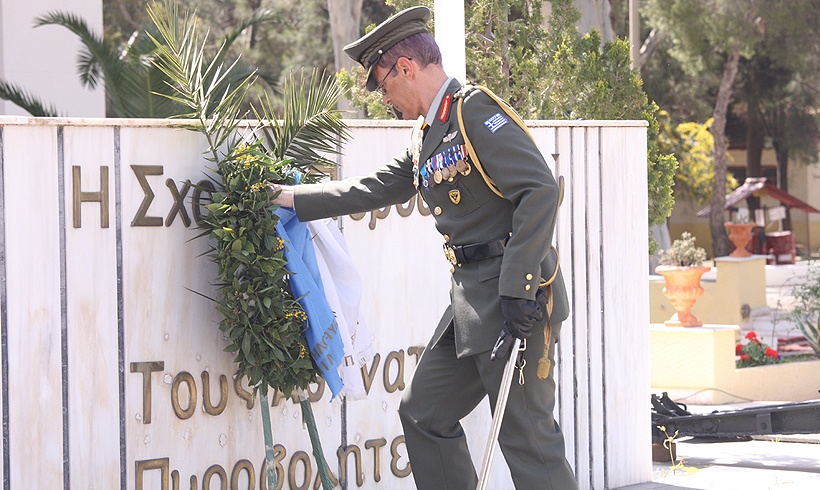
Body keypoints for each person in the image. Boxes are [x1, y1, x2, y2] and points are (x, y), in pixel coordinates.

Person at [270, 6, 577, 489]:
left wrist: (519, 287)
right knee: (423, 413)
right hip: (472, 304)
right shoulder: (428, 133)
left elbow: (539, 190)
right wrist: (289, 198)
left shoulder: (474, 111)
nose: (385, 98)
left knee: (527, 437)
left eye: (384, 84)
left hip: (514, 299)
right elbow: (378, 186)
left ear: (406, 68)